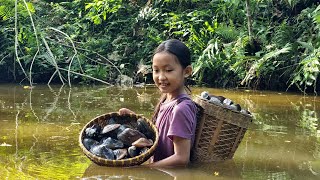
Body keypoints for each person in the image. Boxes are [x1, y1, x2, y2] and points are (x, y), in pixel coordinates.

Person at [119, 39, 197, 167]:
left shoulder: (181, 108)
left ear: (187, 71)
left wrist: (146, 170)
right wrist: (136, 120)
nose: (161, 77)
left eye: (168, 70)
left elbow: (182, 158)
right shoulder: (166, 99)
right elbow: (156, 136)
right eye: (156, 70)